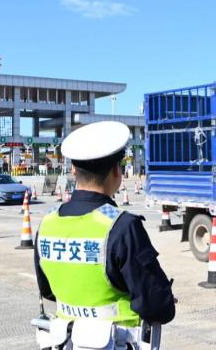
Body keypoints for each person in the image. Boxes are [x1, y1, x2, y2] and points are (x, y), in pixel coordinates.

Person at [34, 121, 175, 327]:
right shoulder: (122, 226)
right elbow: (156, 306)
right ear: (117, 171)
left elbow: (47, 290)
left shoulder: (48, 223)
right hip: (118, 339)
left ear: (73, 170)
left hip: (66, 337)